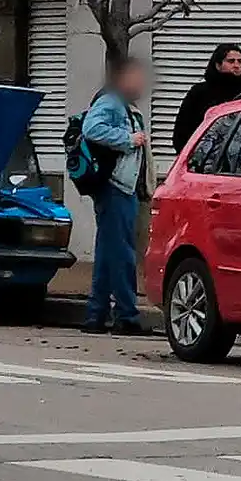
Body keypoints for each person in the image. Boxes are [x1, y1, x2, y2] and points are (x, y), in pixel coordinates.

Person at [79, 57, 154, 336]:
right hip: (116, 186)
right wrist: (127, 139)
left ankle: (96, 315)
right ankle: (126, 316)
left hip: (125, 186)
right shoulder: (111, 101)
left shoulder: (128, 106)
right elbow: (91, 128)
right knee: (122, 253)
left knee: (108, 252)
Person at [171, 43, 241, 153]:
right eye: (231, 61)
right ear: (218, 65)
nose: (237, 65)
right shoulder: (200, 93)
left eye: (240, 61)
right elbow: (182, 132)